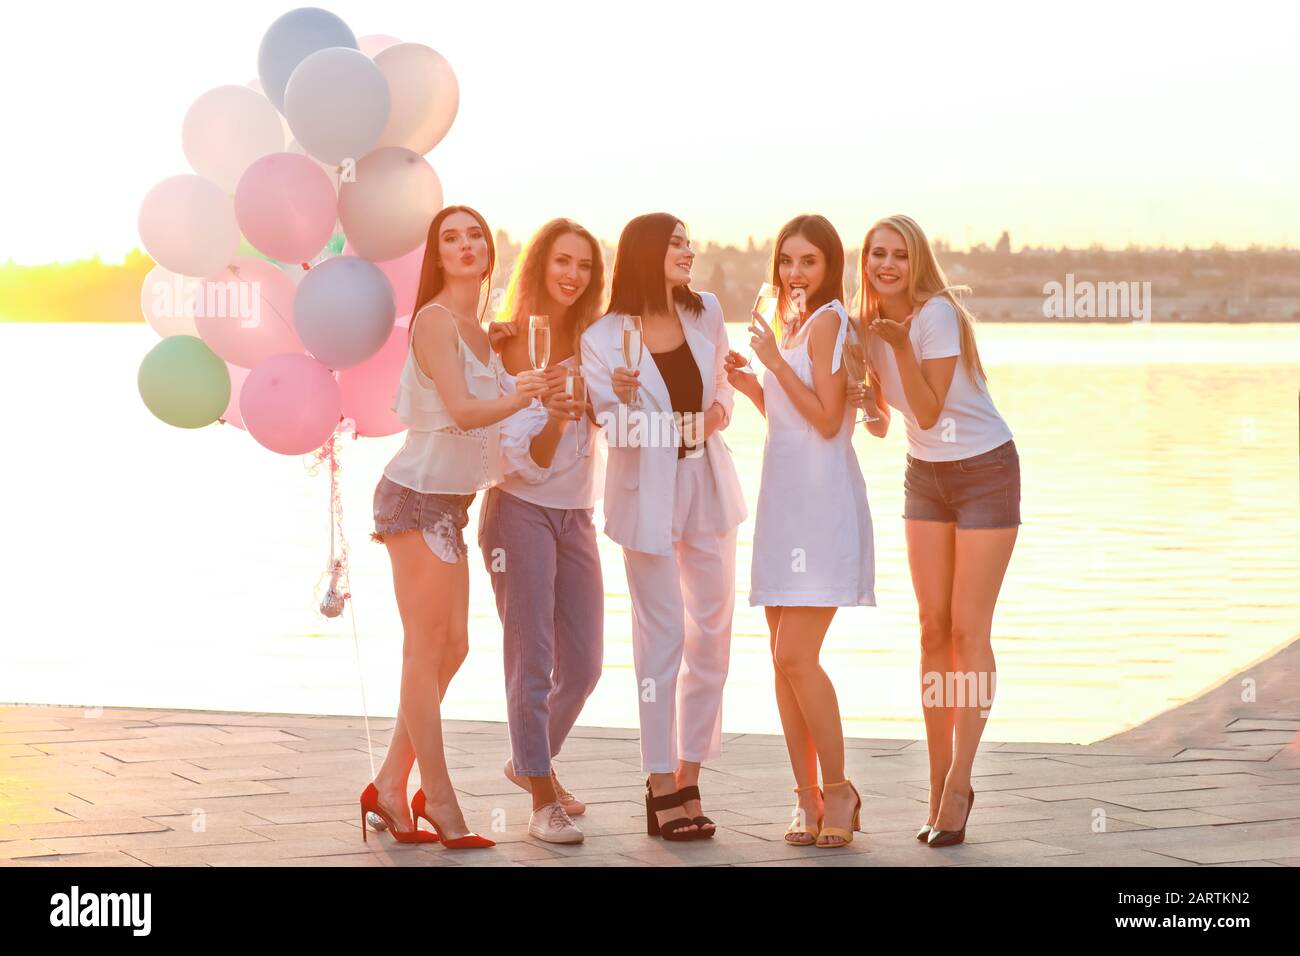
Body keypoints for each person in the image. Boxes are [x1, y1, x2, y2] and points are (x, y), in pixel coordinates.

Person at [362, 205, 547, 849]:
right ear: (437, 257)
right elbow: (467, 413)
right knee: (425, 646)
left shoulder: (474, 325)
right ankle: (436, 798)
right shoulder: (436, 321)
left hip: (449, 505)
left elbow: (488, 409)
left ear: (489, 253)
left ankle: (389, 783)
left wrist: (528, 380)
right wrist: (525, 391)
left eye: (475, 237)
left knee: (454, 647)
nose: (466, 246)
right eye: (451, 239)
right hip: (413, 498)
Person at [847, 214, 1020, 848]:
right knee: (932, 628)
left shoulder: (935, 316)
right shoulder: (868, 325)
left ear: (916, 261)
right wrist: (862, 397)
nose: (885, 264)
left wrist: (893, 345)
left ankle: (959, 782)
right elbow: (888, 422)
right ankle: (935, 776)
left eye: (897, 254)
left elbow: (929, 408)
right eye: (875, 254)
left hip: (985, 472)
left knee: (970, 629)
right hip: (925, 476)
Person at [580, 213, 746, 841]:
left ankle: (690, 774)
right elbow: (609, 428)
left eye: (689, 241)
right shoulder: (603, 337)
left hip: (706, 485)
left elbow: (724, 385)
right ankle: (657, 784)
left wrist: (717, 416)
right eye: (677, 243)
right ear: (647, 252)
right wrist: (618, 399)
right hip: (644, 495)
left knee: (712, 634)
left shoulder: (704, 312)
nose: (689, 251)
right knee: (662, 638)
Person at [724, 214, 879, 847]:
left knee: (796, 655)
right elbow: (789, 416)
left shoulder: (830, 322)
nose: (794, 272)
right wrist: (753, 386)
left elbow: (825, 420)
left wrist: (771, 366)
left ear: (829, 267)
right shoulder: (791, 325)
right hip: (782, 502)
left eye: (808, 261)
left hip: (820, 507)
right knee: (781, 661)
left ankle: (839, 791)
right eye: (786, 260)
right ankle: (805, 799)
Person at [478, 218, 607, 844]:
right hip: (518, 511)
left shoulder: (597, 340)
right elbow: (517, 458)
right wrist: (555, 417)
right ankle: (540, 800)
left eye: (584, 265)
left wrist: (616, 402)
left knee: (583, 665)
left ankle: (530, 764)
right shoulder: (508, 345)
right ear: (539, 265)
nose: (572, 275)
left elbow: (612, 424)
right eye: (562, 261)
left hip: (576, 512)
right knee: (532, 661)